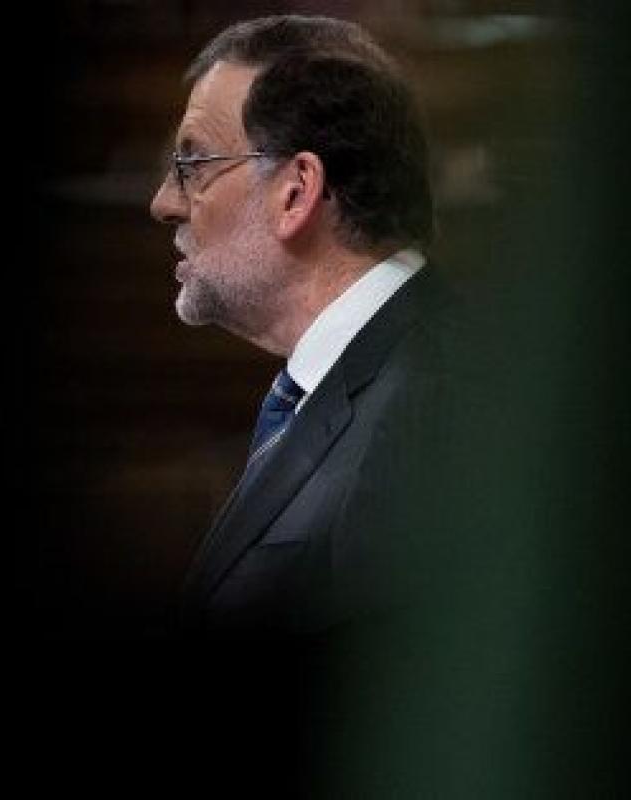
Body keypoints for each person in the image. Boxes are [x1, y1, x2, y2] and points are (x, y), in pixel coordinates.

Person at [149, 15, 458, 639]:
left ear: (296, 192)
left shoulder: (439, 404)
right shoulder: (373, 383)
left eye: (194, 163)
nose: (164, 202)